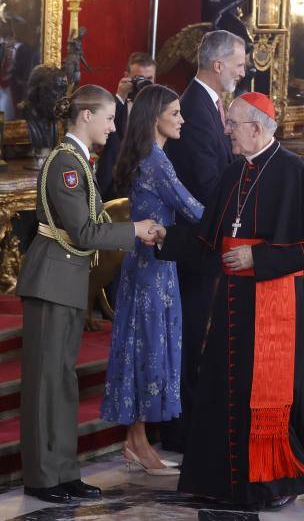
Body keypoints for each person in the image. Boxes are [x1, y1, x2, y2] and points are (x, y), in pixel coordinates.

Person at [155, 92, 304, 509]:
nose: (226, 131)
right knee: (226, 386)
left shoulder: (292, 171)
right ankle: (223, 479)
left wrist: (258, 258)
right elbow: (209, 237)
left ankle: (273, 479)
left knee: (267, 392)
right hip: (233, 302)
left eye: (233, 125)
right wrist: (167, 238)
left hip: (274, 299)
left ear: (257, 128)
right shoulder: (234, 172)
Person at [15, 84, 159, 503]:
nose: (114, 128)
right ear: (87, 116)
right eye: (110, 118)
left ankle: (63, 471)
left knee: (62, 381)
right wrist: (134, 230)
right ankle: (42, 477)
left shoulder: (77, 159)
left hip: (67, 279)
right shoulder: (66, 163)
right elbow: (83, 231)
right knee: (46, 383)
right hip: (52, 281)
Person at [99, 85, 204, 474]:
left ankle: (136, 440)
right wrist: (233, 218)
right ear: (154, 117)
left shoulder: (151, 156)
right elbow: (193, 209)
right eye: (174, 113)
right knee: (147, 352)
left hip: (151, 266)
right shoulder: (157, 162)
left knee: (143, 349)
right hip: (150, 273)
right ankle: (139, 443)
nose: (182, 119)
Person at [161, 29, 244, 453]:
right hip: (194, 244)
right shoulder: (194, 107)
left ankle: (188, 418)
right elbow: (206, 182)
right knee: (190, 333)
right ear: (218, 64)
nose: (242, 72)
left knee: (197, 332)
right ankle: (179, 426)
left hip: (205, 241)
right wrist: (242, 214)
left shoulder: (208, 104)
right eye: (239, 64)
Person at [96, 52, 157, 201]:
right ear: (127, 76)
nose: (144, 84)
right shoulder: (115, 105)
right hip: (114, 181)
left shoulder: (162, 106)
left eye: (149, 79)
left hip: (150, 180)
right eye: (139, 79)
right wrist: (120, 96)